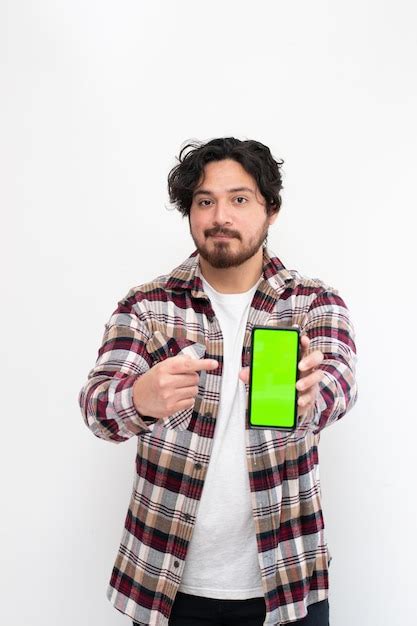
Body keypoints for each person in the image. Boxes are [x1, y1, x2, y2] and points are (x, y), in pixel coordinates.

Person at [78, 137, 358, 626]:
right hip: (166, 583)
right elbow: (97, 408)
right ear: (190, 212)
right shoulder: (147, 305)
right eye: (205, 201)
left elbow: (340, 380)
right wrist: (140, 397)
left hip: (289, 581)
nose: (220, 215)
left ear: (271, 210)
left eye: (239, 199)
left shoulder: (314, 302)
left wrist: (314, 395)